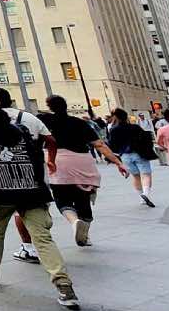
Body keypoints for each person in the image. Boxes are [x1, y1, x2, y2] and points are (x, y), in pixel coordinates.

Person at [0, 92, 79, 310]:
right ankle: (63, 283)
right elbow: (35, 159)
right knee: (43, 238)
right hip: (30, 192)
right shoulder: (21, 131)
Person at [41, 95, 126, 246]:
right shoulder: (79, 123)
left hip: (57, 161)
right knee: (83, 198)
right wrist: (118, 162)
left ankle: (74, 222)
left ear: (49, 107)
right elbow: (99, 144)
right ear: (66, 106)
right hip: (82, 161)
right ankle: (84, 234)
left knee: (62, 198)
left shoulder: (45, 121)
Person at [0, 87, 56, 266]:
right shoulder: (28, 117)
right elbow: (51, 140)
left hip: (4, 173)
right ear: (10, 100)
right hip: (34, 171)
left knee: (3, 219)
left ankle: (27, 247)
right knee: (35, 207)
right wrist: (51, 160)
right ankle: (51, 261)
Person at [105, 108, 157, 207]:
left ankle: (141, 197)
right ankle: (146, 194)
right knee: (146, 174)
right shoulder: (135, 127)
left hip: (125, 155)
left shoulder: (113, 130)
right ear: (126, 117)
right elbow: (145, 139)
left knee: (136, 176)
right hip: (138, 153)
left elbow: (111, 145)